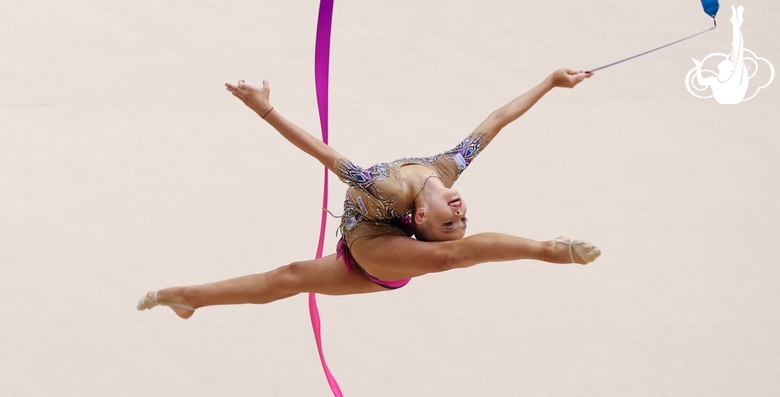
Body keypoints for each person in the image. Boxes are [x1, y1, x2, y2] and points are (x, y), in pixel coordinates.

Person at [137, 68, 600, 319]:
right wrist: (550, 82)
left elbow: (321, 151)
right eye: (461, 221)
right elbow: (498, 118)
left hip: (378, 251)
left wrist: (265, 109)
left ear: (418, 221)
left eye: (448, 223)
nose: (458, 214)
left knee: (445, 257)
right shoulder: (449, 168)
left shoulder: (388, 191)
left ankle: (550, 250)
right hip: (363, 248)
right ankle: (188, 297)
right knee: (288, 277)